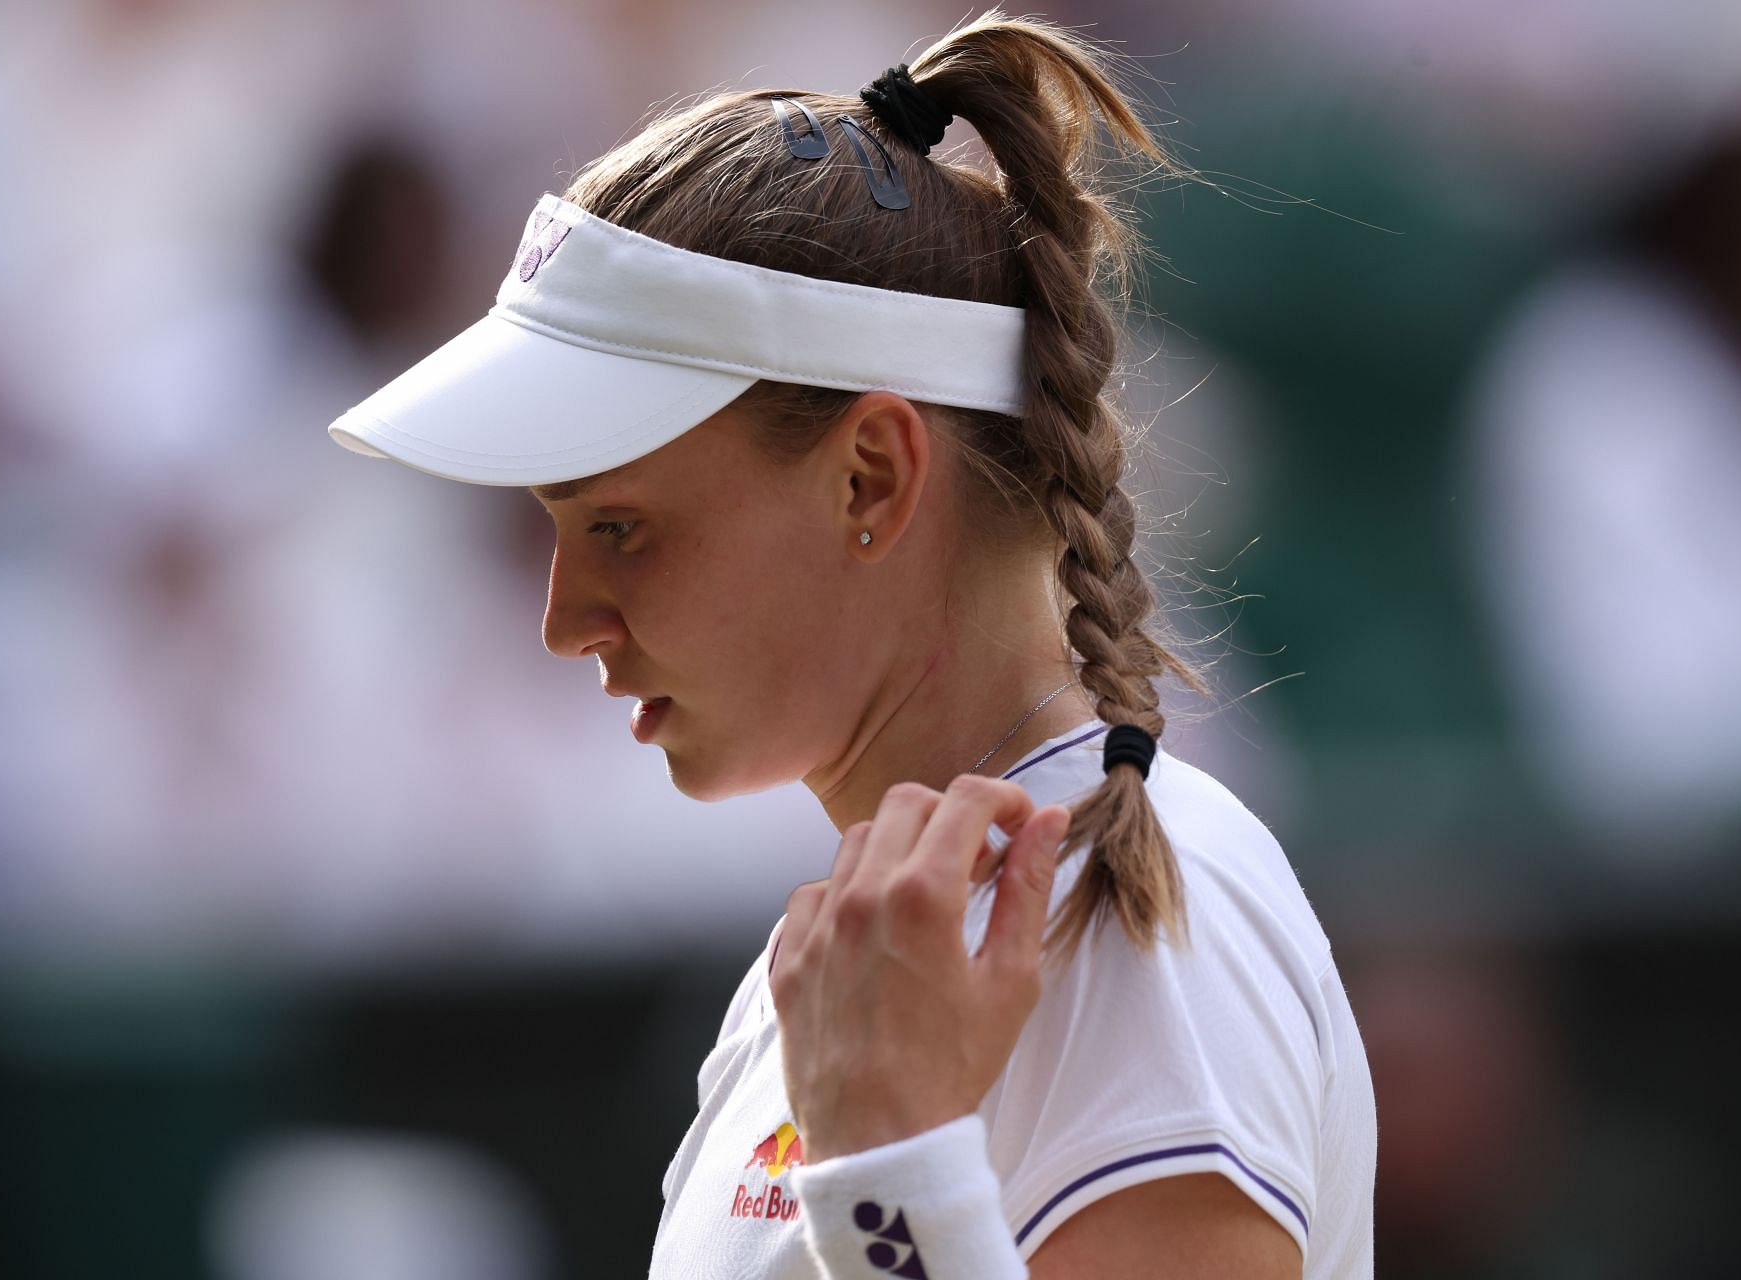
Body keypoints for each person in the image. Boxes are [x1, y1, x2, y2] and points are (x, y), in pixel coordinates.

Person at [326, 11, 1374, 1277]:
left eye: (621, 525)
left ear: (871, 476)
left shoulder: (1138, 928)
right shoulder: (874, 937)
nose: (566, 620)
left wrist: (890, 1166)